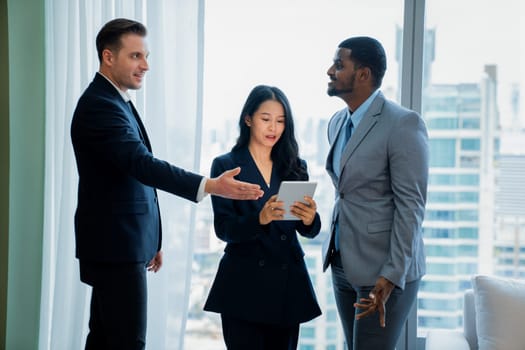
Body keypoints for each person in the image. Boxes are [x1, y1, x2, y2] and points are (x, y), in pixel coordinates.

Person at [70, 18, 263, 350]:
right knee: (126, 342)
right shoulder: (101, 106)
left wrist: (150, 239)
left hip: (121, 243)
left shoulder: (113, 101)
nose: (145, 65)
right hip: (116, 246)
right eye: (135, 56)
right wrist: (210, 186)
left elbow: (127, 179)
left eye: (146, 56)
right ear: (108, 57)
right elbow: (142, 165)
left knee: (104, 340)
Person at [321, 36, 429, 349]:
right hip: (343, 264)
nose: (330, 70)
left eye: (339, 65)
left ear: (364, 74)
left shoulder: (403, 124)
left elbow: (411, 207)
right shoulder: (337, 122)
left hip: (385, 271)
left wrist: (393, 274)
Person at [204, 85, 322, 350]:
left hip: (287, 284)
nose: (273, 128)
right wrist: (260, 218)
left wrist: (310, 219)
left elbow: (308, 230)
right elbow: (224, 229)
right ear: (248, 119)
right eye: (265, 119)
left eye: (281, 121)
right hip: (244, 285)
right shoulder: (226, 165)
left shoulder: (295, 165)